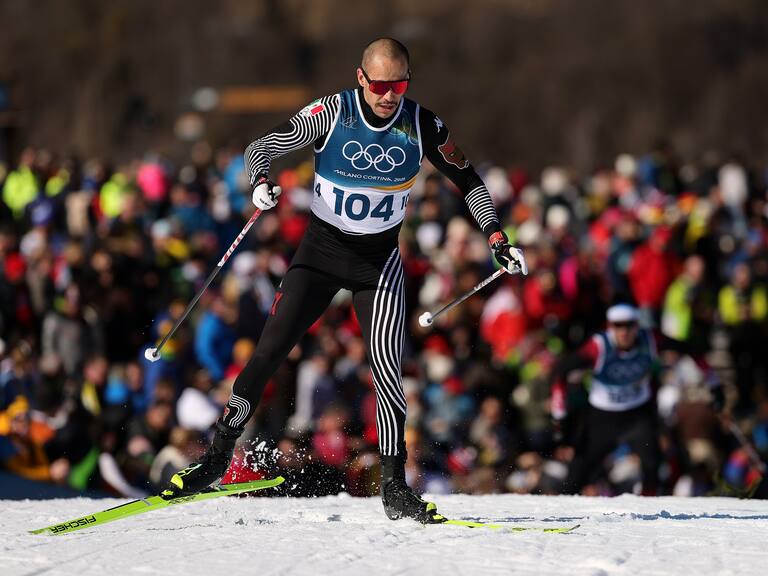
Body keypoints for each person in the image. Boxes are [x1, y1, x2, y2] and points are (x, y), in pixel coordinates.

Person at [161, 38, 526, 523]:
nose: (389, 95)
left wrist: (496, 236)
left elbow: (469, 180)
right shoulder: (331, 113)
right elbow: (263, 146)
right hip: (320, 255)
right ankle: (217, 457)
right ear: (361, 78)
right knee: (269, 350)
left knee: (387, 370)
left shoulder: (421, 124)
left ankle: (396, 486)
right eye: (379, 85)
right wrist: (261, 181)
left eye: (399, 85)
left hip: (377, 265)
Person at [550, 303, 723, 495]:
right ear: (610, 326)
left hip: (637, 413)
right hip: (602, 416)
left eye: (629, 326)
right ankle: (562, 507)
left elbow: (689, 349)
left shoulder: (650, 340)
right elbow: (561, 371)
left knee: (652, 463)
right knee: (579, 469)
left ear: (637, 326)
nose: (624, 332)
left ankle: (648, 507)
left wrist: (714, 385)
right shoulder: (599, 346)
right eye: (618, 326)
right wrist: (559, 415)